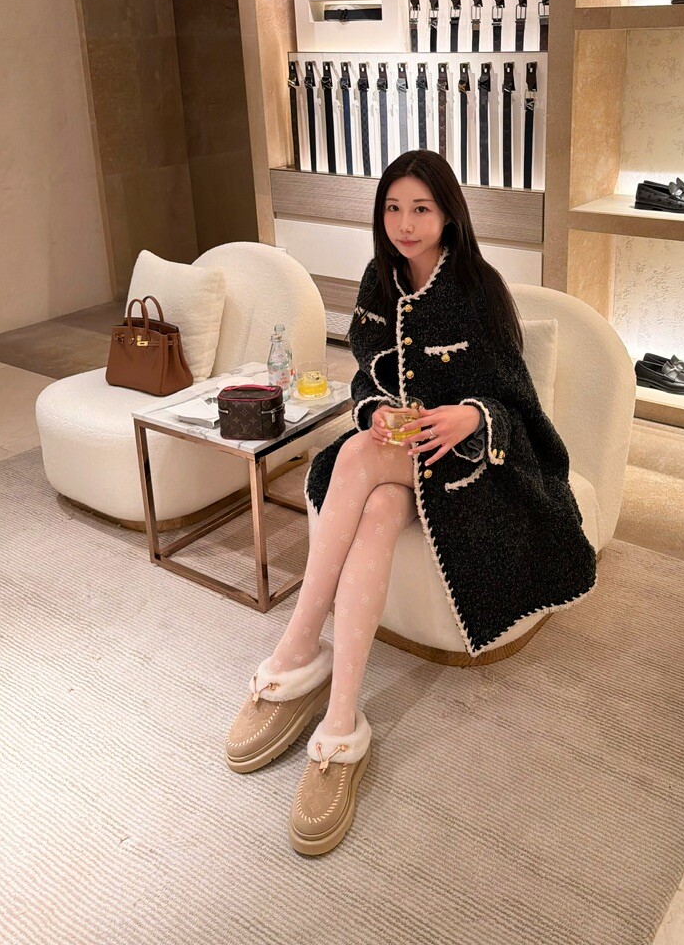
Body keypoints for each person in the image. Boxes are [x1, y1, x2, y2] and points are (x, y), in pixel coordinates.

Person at [225, 149, 597, 857]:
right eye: (393, 208)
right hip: (400, 455)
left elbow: (518, 405)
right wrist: (372, 413)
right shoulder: (379, 280)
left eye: (421, 209)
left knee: (357, 460)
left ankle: (297, 650)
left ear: (449, 214)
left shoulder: (479, 288)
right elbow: (365, 377)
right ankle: (342, 722)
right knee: (373, 506)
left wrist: (471, 416)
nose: (405, 223)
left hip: (472, 463)